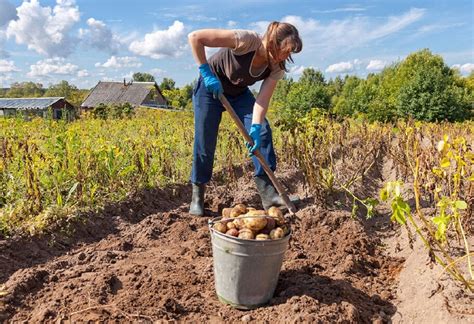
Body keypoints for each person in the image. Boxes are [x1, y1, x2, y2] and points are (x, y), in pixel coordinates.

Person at [187, 21, 302, 216]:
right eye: (286, 50)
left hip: (239, 93)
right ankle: (197, 197)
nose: (286, 56)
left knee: (263, 132)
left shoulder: (277, 68)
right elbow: (195, 37)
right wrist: (206, 73)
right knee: (205, 142)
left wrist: (255, 127)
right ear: (273, 42)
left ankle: (268, 195)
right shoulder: (247, 40)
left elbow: (261, 102)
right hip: (210, 88)